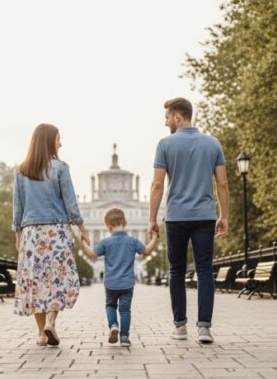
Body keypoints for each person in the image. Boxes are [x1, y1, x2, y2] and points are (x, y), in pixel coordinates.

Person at [148, 97, 229, 344]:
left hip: (176, 217)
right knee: (205, 271)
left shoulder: (165, 144)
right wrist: (224, 215)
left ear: (177, 117)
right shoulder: (213, 143)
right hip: (205, 215)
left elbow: (158, 184)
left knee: (176, 271)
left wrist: (152, 219)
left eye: (166, 118)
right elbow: (223, 184)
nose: (165, 124)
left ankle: (180, 327)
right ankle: (204, 328)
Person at [12, 123, 90, 347]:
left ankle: (40, 334)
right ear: (49, 141)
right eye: (58, 138)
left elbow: (17, 206)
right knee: (56, 280)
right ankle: (51, 323)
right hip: (56, 233)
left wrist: (18, 233)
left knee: (36, 282)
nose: (61, 143)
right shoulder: (60, 168)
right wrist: (82, 228)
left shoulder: (20, 170)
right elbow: (71, 203)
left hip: (31, 234)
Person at [80, 208, 158, 347]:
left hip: (110, 283)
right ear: (125, 223)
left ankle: (113, 325)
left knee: (110, 305)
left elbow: (92, 254)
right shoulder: (133, 241)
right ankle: (124, 337)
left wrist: (84, 244)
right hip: (127, 283)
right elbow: (146, 251)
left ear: (108, 227)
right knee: (125, 310)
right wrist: (154, 238)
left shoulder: (105, 242)